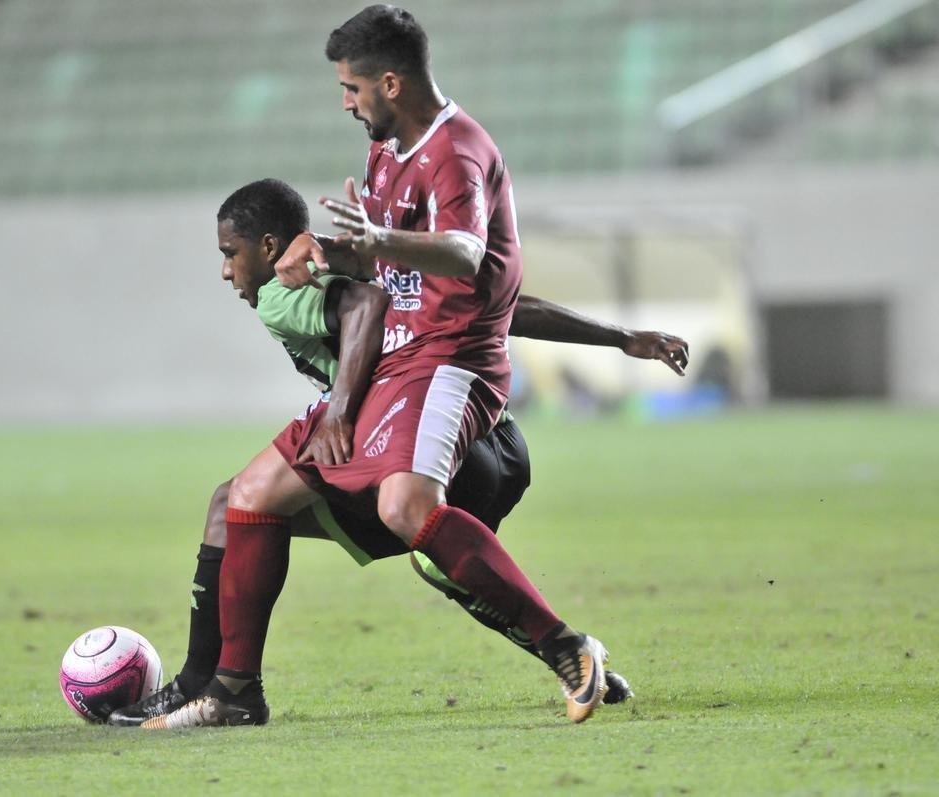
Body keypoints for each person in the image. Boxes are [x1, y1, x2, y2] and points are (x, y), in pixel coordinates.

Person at [142, 5, 679, 729]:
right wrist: (336, 252)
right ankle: (234, 688)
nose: (345, 102)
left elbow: (463, 254)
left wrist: (377, 240)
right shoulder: (387, 150)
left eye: (351, 88)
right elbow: (404, 270)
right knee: (248, 494)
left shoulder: (458, 152)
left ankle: (567, 646)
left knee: (406, 509)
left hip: (451, 365)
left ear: (390, 82)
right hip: (398, 365)